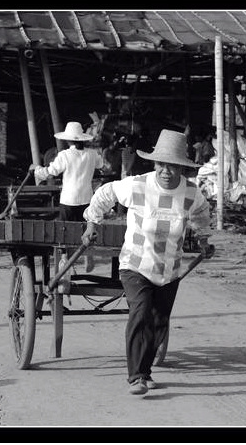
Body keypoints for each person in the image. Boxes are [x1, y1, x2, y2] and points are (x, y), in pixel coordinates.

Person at [81, 129, 214, 396]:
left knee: (159, 321)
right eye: (162, 164)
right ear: (154, 164)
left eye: (173, 165)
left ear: (182, 168)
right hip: (135, 264)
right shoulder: (137, 185)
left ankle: (146, 371)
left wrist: (203, 240)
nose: (166, 171)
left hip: (169, 268)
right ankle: (136, 377)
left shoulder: (191, 194)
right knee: (141, 313)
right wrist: (91, 223)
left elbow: (201, 215)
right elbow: (105, 193)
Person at [29, 121, 104, 222]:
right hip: (87, 199)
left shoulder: (64, 155)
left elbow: (50, 173)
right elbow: (100, 164)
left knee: (65, 230)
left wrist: (36, 169)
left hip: (68, 200)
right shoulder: (92, 154)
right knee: (83, 229)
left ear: (68, 140)